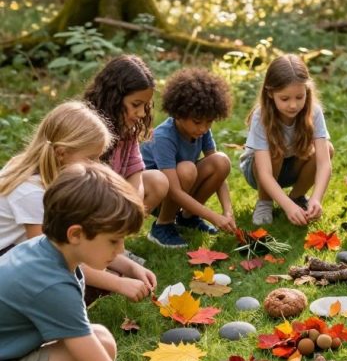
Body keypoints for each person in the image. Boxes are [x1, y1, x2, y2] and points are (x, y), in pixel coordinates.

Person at [0, 163, 204, 361]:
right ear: (76, 234)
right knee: (102, 342)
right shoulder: (50, 282)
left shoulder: (55, 254)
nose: (121, 251)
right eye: (114, 241)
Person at [0, 102, 155, 302]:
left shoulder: (53, 179)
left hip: (19, 258)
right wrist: (118, 283)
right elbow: (51, 260)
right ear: (61, 153)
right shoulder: (32, 193)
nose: (95, 166)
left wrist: (130, 267)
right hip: (12, 266)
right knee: (94, 281)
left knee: (102, 273)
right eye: (90, 158)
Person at [142, 67, 236, 248]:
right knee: (187, 169)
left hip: (181, 189)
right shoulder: (163, 137)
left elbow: (220, 173)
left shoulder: (202, 131)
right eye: (197, 122)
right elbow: (175, 190)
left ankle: (188, 218)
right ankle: (162, 226)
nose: (203, 128)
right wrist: (214, 217)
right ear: (178, 113)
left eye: (209, 122)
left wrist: (227, 211)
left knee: (221, 161)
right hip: (154, 196)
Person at [240, 54, 333, 227]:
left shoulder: (314, 112)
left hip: (292, 166)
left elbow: (324, 163)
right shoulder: (261, 116)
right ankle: (265, 202)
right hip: (260, 172)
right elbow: (264, 173)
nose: (293, 105)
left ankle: (297, 197)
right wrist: (287, 207)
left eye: (299, 97)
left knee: (328, 148)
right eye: (285, 99)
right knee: (276, 152)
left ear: (307, 91)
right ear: (270, 93)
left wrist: (317, 198)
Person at [84, 54, 169, 212]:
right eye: (136, 104)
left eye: (145, 106)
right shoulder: (87, 129)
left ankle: (119, 231)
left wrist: (133, 206)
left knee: (159, 181)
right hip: (88, 198)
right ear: (113, 98)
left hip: (115, 198)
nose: (142, 113)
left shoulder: (128, 131)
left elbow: (135, 173)